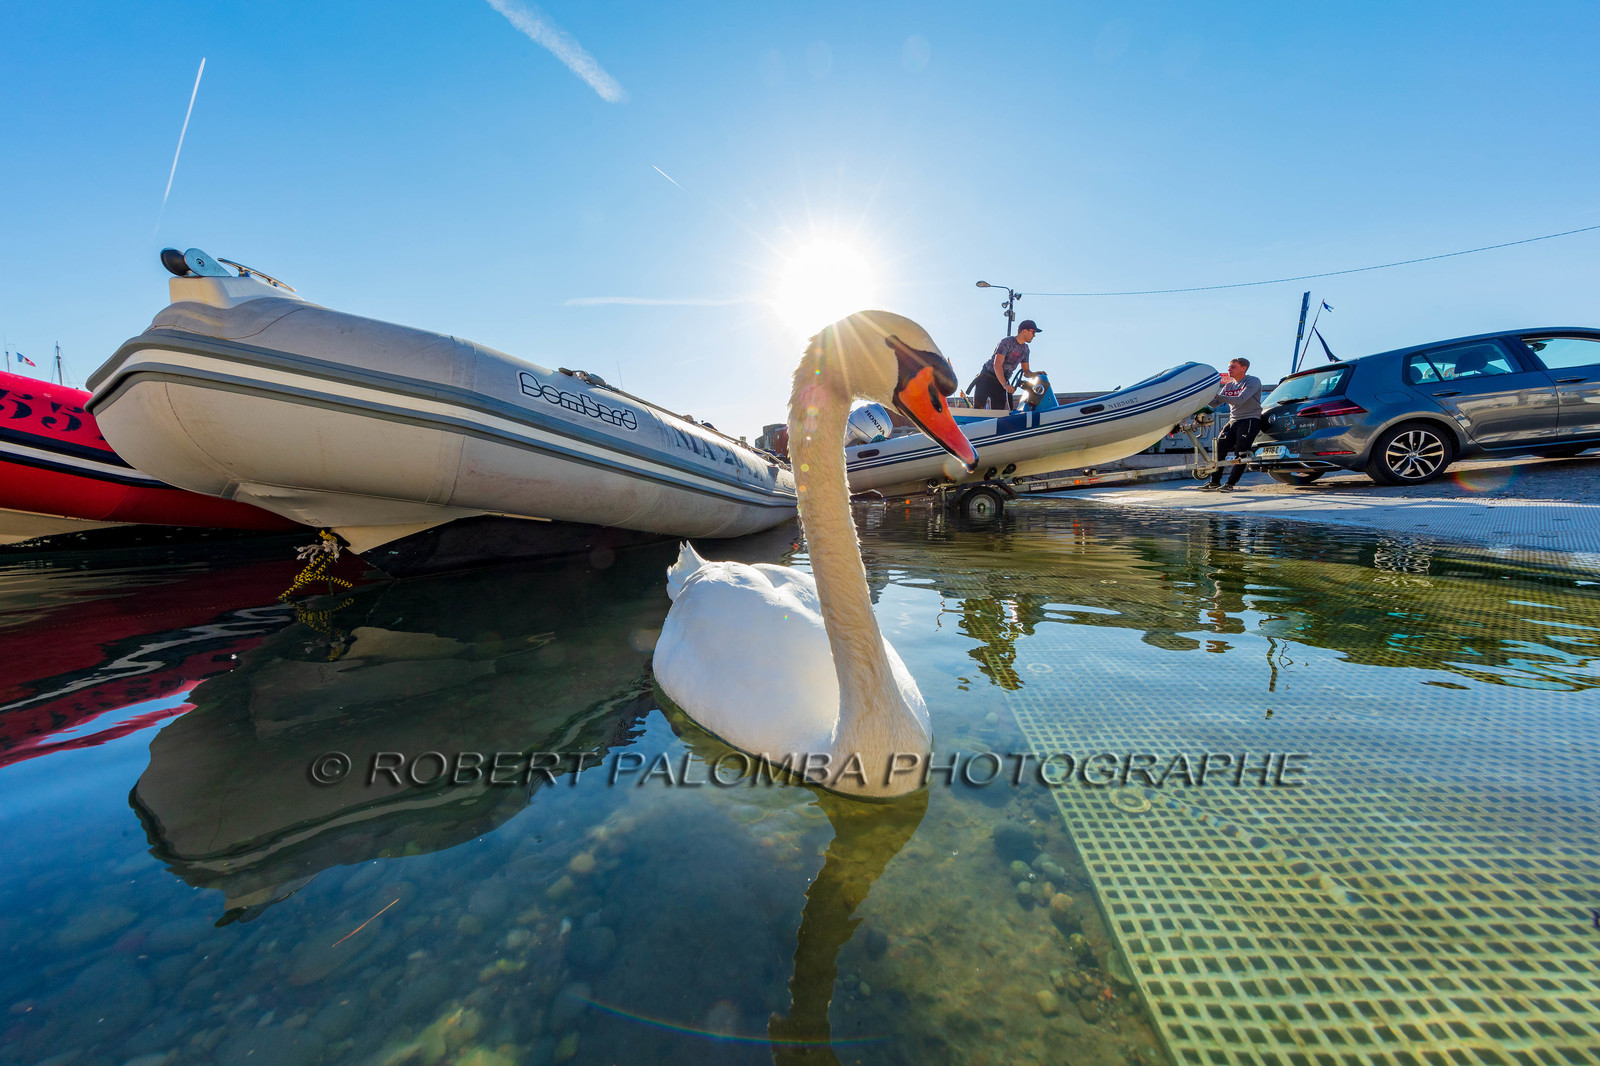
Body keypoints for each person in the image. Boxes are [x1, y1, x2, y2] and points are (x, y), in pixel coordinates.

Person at [1202, 358, 1264, 492]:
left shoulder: (1253, 381)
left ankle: (1230, 484)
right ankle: (1214, 482)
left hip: (1249, 420)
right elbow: (1214, 403)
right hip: (1233, 420)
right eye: (1229, 367)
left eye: (1233, 367)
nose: (1229, 370)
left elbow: (1240, 400)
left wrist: (1217, 396)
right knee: (1219, 448)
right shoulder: (1229, 385)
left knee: (1241, 453)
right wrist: (1202, 396)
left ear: (1243, 368)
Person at [970, 320, 1040, 411]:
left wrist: (1035, 374)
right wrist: (1005, 385)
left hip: (1001, 382)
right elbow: (997, 364)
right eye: (1033, 332)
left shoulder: (1025, 349)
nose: (1034, 335)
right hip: (987, 377)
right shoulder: (1006, 342)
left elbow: (1025, 372)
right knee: (979, 410)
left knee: (998, 412)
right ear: (1024, 331)